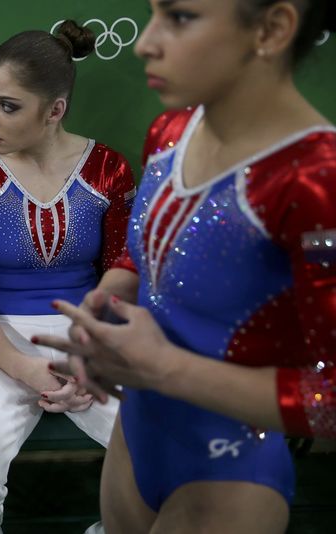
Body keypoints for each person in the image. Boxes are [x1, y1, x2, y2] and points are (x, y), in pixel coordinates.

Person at [34, 1, 336, 532]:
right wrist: (105, 306)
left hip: (229, 470)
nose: (144, 43)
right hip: (139, 437)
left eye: (179, 17)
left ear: (272, 28)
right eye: (153, 13)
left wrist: (163, 368)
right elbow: (148, 254)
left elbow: (329, 400)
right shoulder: (172, 130)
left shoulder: (316, 180)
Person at [0, 20, 136, 533]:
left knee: (179, 468)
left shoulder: (108, 168)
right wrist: (25, 368)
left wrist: (87, 349)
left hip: (91, 333)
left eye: (7, 105)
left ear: (55, 110)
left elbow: (124, 269)